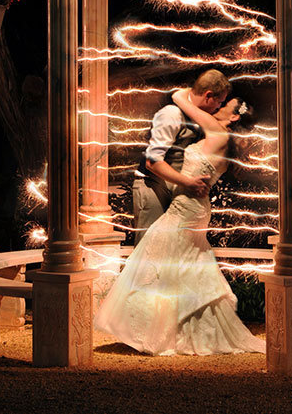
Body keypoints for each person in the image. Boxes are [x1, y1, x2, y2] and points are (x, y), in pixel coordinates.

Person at [95, 89, 265, 355]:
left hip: (188, 208)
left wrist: (192, 90)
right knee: (183, 264)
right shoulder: (223, 138)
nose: (217, 107)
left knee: (162, 258)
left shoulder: (217, 131)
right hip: (193, 207)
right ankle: (180, 327)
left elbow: (178, 98)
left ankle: (165, 330)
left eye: (223, 104)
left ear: (232, 117)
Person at [132, 69, 231, 244]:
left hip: (174, 189)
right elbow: (152, 162)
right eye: (219, 102)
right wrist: (187, 182)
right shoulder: (172, 114)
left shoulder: (197, 117)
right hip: (153, 186)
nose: (219, 108)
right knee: (149, 248)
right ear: (208, 96)